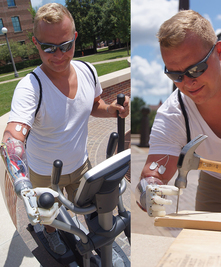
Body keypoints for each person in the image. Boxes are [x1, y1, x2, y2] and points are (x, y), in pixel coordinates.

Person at [1, 3, 129, 255]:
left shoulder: (88, 71)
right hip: (43, 173)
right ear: (36, 44)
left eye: (66, 45)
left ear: (75, 38)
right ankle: (52, 236)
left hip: (81, 166)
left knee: (94, 210)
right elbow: (12, 138)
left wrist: (110, 110)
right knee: (49, 217)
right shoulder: (30, 88)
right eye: (48, 47)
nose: (58, 55)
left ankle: (102, 244)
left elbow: (94, 105)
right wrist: (21, 181)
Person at [138, 10, 221, 217]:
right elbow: (154, 171)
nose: (188, 82)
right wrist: (150, 186)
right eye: (175, 75)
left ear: (219, 51)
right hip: (217, 186)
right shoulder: (173, 113)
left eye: (196, 69)